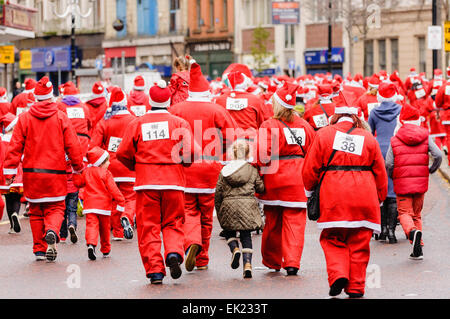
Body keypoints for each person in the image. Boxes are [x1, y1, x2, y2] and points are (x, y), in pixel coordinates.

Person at [302, 92, 388, 298]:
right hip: (365, 198)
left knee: (332, 237)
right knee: (360, 242)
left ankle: (339, 274)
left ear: (335, 115)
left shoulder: (323, 134)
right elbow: (381, 172)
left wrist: (309, 191)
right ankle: (357, 286)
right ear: (357, 116)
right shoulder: (368, 138)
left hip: (333, 197)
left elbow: (310, 169)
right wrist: (381, 196)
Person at [116, 80, 197, 284]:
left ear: (149, 101)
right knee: (174, 223)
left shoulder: (137, 123)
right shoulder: (179, 123)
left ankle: (155, 271)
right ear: (169, 100)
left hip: (146, 183)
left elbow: (123, 153)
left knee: (148, 226)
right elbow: (191, 153)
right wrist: (182, 164)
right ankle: (173, 253)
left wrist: (138, 166)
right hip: (174, 182)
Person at [3, 76, 84, 262]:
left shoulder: (24, 119)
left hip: (32, 175)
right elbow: (73, 145)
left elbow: (14, 147)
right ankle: (52, 231)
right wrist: (78, 167)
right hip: (56, 174)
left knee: (36, 211)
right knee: (56, 207)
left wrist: (9, 172)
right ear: (51, 96)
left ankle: (39, 250)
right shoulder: (61, 117)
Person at [169, 58, 237, 272]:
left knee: (188, 211)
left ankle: (191, 242)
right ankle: (202, 259)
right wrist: (219, 149)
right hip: (210, 168)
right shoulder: (216, 110)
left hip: (185, 168)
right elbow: (232, 136)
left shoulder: (176, 109)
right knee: (207, 215)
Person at [257, 81, 316, 276]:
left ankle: (272, 260)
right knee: (296, 224)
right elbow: (313, 153)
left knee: (272, 222)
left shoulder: (269, 125)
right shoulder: (305, 126)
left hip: (273, 180)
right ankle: (292, 262)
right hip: (298, 180)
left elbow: (262, 155)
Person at [385, 104, 442, 260]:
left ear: (401, 121)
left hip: (402, 183)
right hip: (420, 183)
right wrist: (430, 170)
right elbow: (438, 155)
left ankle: (412, 232)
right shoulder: (425, 136)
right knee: (416, 214)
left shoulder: (395, 139)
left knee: (404, 213)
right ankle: (419, 248)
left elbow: (389, 163)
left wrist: (393, 176)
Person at [90, 86, 137, 241]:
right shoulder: (134, 120)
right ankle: (127, 217)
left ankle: (117, 231)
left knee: (113, 198)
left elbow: (93, 146)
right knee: (130, 198)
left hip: (109, 166)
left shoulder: (105, 121)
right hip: (129, 167)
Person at [215, 140, 264, 279]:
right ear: (248, 154)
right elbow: (261, 188)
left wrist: (219, 211)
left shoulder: (224, 171)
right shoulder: (252, 170)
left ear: (233, 153)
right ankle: (247, 264)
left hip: (228, 205)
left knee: (229, 231)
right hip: (247, 205)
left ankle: (235, 248)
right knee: (246, 236)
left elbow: (218, 193)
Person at [73, 146, 126, 260]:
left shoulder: (86, 172)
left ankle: (91, 244)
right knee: (105, 229)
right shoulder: (106, 173)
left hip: (90, 205)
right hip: (104, 207)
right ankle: (105, 249)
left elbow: (78, 183)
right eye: (107, 160)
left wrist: (75, 173)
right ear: (101, 162)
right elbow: (113, 189)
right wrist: (121, 200)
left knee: (92, 226)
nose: (109, 162)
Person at [368, 82, 402, 243]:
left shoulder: (374, 112)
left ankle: (381, 229)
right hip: (395, 148)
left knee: (380, 189)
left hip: (379, 149)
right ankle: (391, 230)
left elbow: (370, 130)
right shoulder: (401, 110)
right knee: (394, 192)